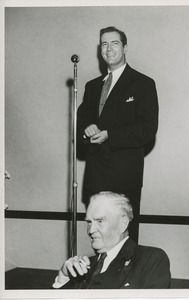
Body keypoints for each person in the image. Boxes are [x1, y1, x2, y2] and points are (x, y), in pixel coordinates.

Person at [77, 26, 159, 242]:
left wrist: (109, 135)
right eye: (104, 44)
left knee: (124, 235)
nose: (109, 48)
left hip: (124, 175)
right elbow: (82, 119)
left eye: (114, 43)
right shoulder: (92, 86)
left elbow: (148, 129)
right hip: (96, 177)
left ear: (125, 48)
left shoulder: (143, 83)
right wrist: (87, 130)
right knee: (100, 235)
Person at [53, 192, 171, 289]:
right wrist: (63, 279)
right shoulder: (82, 268)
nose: (91, 230)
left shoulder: (150, 259)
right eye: (89, 222)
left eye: (100, 221)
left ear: (123, 223)